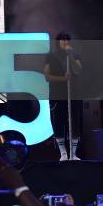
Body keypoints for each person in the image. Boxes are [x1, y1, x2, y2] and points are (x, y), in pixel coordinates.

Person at [43, 32, 82, 161]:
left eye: (67, 39)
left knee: (75, 122)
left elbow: (78, 70)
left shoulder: (74, 54)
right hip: (57, 95)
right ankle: (63, 153)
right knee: (58, 122)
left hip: (74, 94)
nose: (65, 42)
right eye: (62, 39)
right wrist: (63, 78)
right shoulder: (51, 56)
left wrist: (70, 55)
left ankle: (73, 153)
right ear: (57, 41)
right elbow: (47, 76)